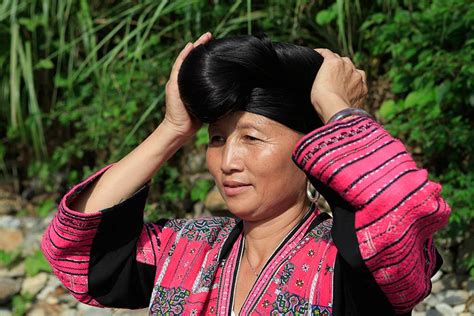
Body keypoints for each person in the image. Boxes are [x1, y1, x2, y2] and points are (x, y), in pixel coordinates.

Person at [41, 32, 450, 315]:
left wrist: (334, 104)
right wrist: (172, 130)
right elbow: (79, 252)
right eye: (217, 139)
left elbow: (400, 212)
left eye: (252, 138)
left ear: (312, 148)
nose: (228, 161)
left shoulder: (349, 261)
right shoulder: (187, 250)